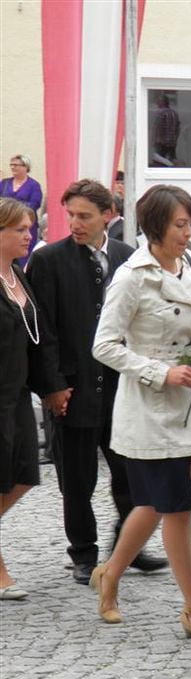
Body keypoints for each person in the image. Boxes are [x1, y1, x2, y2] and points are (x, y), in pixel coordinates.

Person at [89, 185, 191, 643]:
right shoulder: (132, 277)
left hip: (187, 402)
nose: (187, 234)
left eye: (190, 224)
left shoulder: (187, 265)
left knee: (152, 504)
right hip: (149, 408)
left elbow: (190, 322)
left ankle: (110, 574)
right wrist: (159, 372)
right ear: (155, 227)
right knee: (177, 508)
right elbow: (104, 345)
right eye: (179, 225)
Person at [26, 179, 166, 585]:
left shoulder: (127, 255)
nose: (75, 223)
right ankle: (83, 553)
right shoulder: (48, 260)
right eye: (70, 215)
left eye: (84, 216)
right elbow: (43, 330)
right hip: (72, 389)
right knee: (77, 479)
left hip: (122, 389)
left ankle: (128, 546)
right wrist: (52, 386)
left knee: (129, 473)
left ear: (108, 215)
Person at [0, 199, 42, 601]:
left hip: (19, 395)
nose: (28, 236)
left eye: (29, 229)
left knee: (26, 473)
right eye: (20, 230)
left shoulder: (19, 276)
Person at [1, 155, 44, 260]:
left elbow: (35, 204)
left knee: (23, 254)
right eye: (11, 165)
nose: (12, 167)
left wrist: (13, 207)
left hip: (26, 224)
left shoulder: (34, 185)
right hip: (6, 224)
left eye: (16, 165)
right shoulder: (4, 183)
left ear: (25, 167)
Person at [151, 95, 180, 166]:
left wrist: (156, 140)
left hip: (162, 142)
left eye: (158, 101)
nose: (157, 103)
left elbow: (158, 127)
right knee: (171, 159)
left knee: (159, 160)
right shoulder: (174, 113)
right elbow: (178, 128)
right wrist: (175, 138)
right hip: (172, 142)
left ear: (163, 102)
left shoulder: (160, 112)